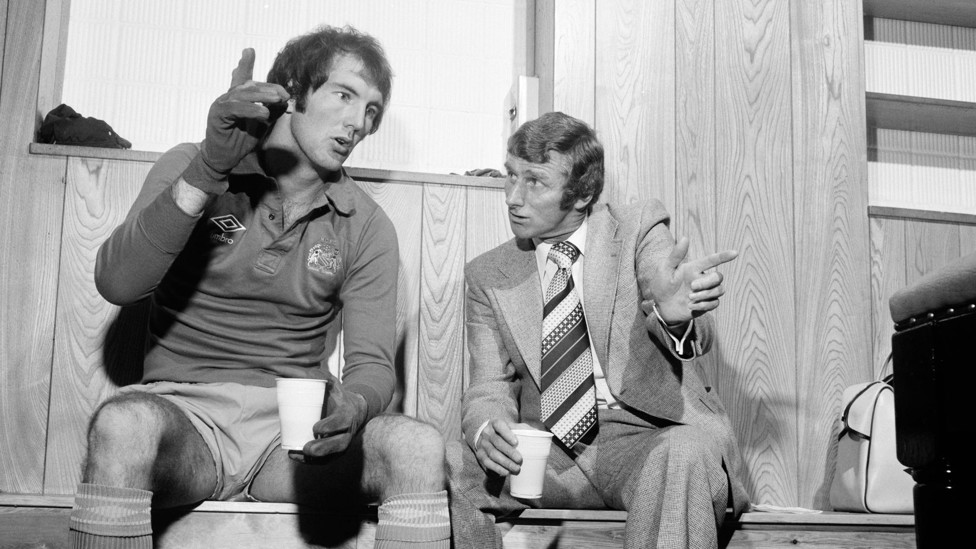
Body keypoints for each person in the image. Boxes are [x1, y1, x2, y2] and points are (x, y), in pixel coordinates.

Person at [70, 26, 450, 549]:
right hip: (186, 416)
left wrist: (356, 407)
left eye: (371, 111)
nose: (357, 123)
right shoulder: (193, 165)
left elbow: (372, 367)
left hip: (291, 440)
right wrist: (210, 167)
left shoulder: (367, 225)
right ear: (291, 89)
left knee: (416, 445)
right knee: (121, 426)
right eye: (344, 95)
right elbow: (117, 282)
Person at [447, 111, 749, 548]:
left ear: (583, 193)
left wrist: (676, 315)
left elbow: (673, 302)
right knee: (456, 460)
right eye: (510, 176)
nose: (513, 196)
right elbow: (488, 385)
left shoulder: (637, 229)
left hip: (648, 441)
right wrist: (486, 427)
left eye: (535, 182)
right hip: (549, 455)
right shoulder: (487, 274)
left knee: (684, 452)